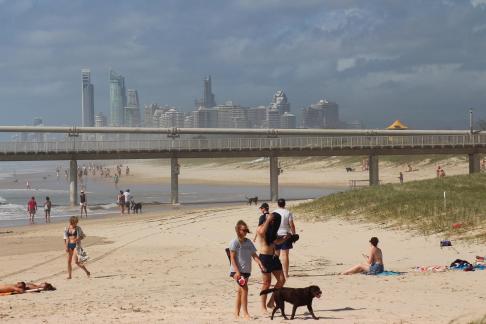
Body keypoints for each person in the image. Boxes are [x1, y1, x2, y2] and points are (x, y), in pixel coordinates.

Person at [229, 220, 265, 320]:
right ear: (238, 230)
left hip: (246, 271)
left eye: (246, 230)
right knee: (245, 289)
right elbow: (232, 258)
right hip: (237, 271)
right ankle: (245, 313)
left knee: (240, 291)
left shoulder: (248, 242)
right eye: (243, 230)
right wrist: (237, 272)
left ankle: (236, 312)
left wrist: (260, 263)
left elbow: (254, 255)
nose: (245, 232)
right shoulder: (234, 242)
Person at [255, 203, 288, 314]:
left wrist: (284, 238)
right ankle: (263, 307)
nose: (273, 222)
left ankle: (271, 302)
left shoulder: (272, 232)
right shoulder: (261, 228)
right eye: (271, 220)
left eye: (274, 221)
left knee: (282, 280)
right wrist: (268, 220)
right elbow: (261, 232)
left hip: (274, 257)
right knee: (266, 283)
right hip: (264, 258)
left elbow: (276, 242)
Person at [273, 198, 296, 279]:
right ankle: (286, 274)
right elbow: (291, 224)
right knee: (285, 255)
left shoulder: (274, 212)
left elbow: (271, 224)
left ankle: (275, 272)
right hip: (286, 235)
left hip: (276, 235)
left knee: (276, 255)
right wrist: (294, 234)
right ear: (284, 204)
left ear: (278, 204)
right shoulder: (288, 212)